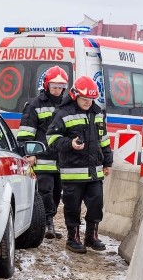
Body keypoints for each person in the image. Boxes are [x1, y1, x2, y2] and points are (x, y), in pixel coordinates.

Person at [46, 76, 113, 254]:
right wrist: (70, 144)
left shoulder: (97, 113)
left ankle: (91, 236)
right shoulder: (64, 113)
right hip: (72, 172)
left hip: (94, 171)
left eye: (91, 100)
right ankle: (72, 237)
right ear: (75, 95)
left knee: (96, 203)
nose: (87, 103)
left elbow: (104, 140)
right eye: (84, 99)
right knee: (72, 206)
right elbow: (51, 138)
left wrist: (108, 162)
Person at [17, 66, 69, 239]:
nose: (57, 90)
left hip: (61, 159)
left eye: (60, 87)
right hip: (42, 157)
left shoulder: (67, 105)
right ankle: (48, 223)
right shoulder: (34, 105)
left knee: (56, 193)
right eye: (54, 86)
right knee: (45, 190)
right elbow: (25, 132)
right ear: (46, 85)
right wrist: (29, 152)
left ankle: (49, 219)